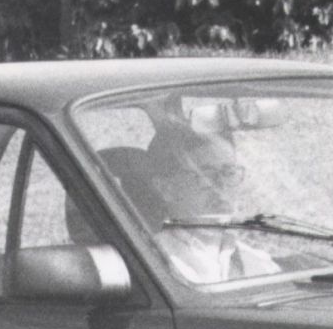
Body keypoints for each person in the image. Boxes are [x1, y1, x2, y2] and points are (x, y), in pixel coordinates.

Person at [113, 121, 282, 286]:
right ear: (166, 188)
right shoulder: (154, 264)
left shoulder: (256, 260)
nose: (220, 187)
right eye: (204, 176)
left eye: (229, 173)